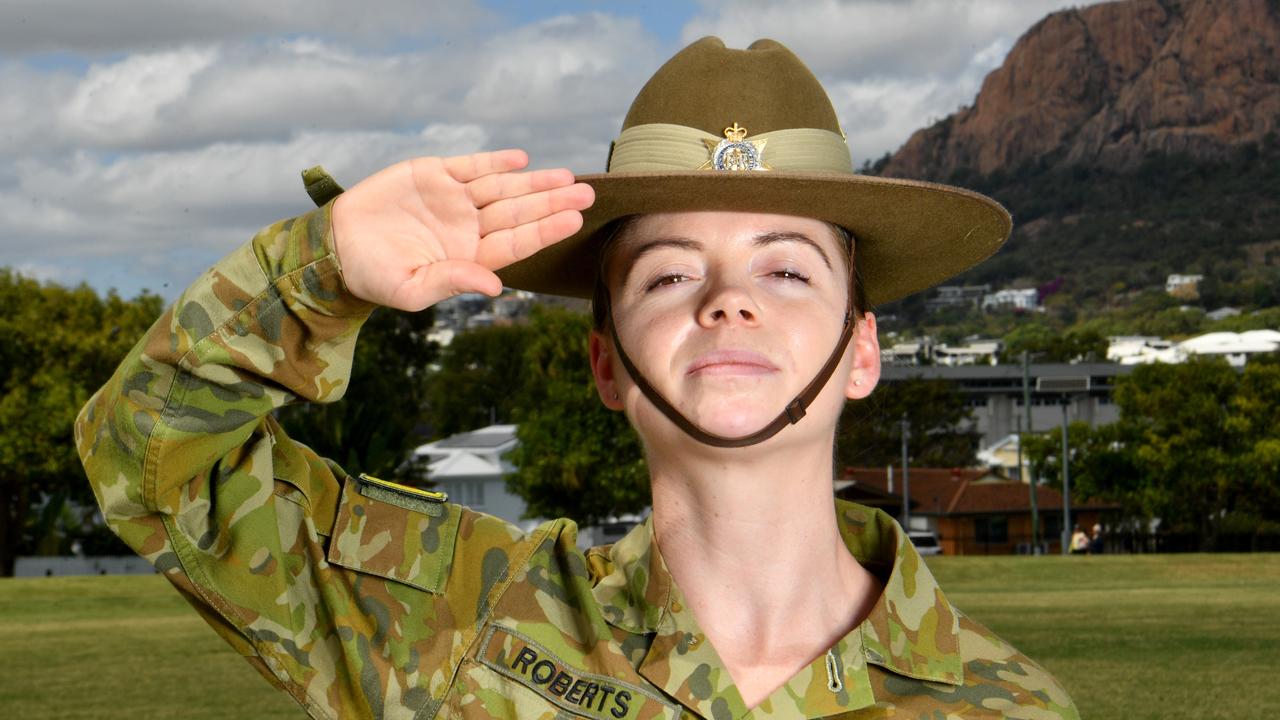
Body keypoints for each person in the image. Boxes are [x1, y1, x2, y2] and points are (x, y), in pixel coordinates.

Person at [77, 37, 1078, 719]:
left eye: (784, 269)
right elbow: (153, 456)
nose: (727, 301)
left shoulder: (1006, 705)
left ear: (862, 350)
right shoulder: (455, 619)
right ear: (605, 361)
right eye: (668, 273)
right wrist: (320, 269)